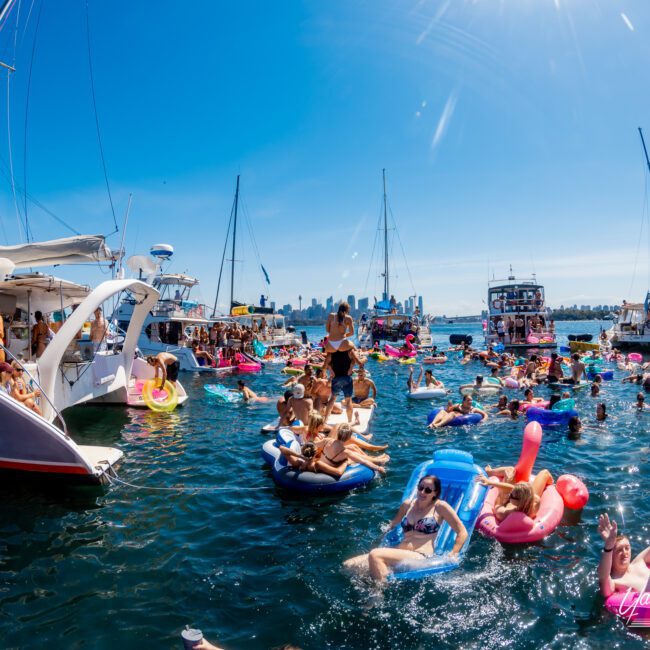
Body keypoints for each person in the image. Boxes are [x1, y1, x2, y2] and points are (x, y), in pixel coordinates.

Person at [343, 474, 468, 582]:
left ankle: (377, 595)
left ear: (435, 493)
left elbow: (462, 531)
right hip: (400, 550)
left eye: (428, 490)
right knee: (349, 565)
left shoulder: (440, 507)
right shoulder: (408, 505)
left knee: (375, 554)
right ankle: (374, 580)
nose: (423, 492)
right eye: (420, 488)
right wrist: (383, 532)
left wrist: (454, 553)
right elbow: (394, 523)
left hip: (420, 555)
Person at [598, 513, 650, 599]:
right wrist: (609, 544)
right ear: (612, 555)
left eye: (627, 548)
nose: (625, 552)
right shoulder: (615, 582)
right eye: (619, 550)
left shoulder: (639, 562)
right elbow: (603, 577)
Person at [477, 467, 554, 523]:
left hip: (506, 503)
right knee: (545, 472)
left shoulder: (505, 513)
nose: (509, 494)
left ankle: (490, 472)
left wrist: (501, 493)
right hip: (525, 499)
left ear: (518, 500)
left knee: (509, 470)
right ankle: (553, 484)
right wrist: (490, 482)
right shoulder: (535, 502)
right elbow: (514, 489)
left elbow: (497, 504)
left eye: (511, 495)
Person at [322, 346, 364, 424]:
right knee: (348, 401)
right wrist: (352, 366)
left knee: (332, 399)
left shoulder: (331, 353)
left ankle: (325, 420)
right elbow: (359, 363)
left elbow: (324, 366)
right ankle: (350, 421)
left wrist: (327, 373)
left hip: (336, 378)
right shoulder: (350, 351)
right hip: (347, 378)